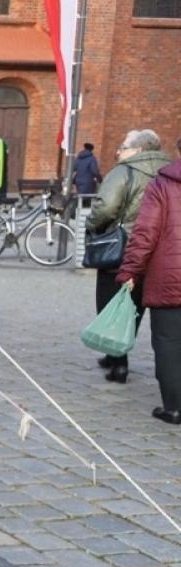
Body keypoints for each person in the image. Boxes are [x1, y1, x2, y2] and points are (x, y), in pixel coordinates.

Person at [86, 130, 167, 383]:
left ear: (139, 150)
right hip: (157, 253)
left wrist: (92, 223)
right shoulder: (169, 170)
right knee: (137, 305)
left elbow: (106, 207)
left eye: (124, 146)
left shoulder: (124, 171)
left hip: (122, 250)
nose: (119, 151)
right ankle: (115, 354)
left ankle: (118, 362)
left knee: (110, 301)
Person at [116, 152, 181, 424]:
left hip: (169, 279)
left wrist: (130, 270)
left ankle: (174, 407)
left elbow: (145, 232)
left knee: (168, 343)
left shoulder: (163, 185)